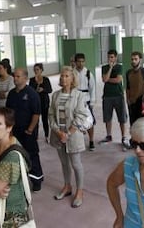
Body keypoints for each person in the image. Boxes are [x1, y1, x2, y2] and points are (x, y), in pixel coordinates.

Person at [49, 66, 89, 208]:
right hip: (58, 135)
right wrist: (58, 131)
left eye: (66, 76)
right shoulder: (55, 95)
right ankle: (67, 186)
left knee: (76, 164)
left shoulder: (79, 95)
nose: (63, 78)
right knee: (64, 163)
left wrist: (68, 133)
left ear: (72, 79)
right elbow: (51, 115)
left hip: (73, 135)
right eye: (61, 76)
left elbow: (81, 116)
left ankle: (79, 191)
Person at [6, 68, 44, 191]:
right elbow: (8, 112)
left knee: (31, 155)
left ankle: (37, 179)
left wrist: (30, 129)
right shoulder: (11, 94)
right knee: (16, 155)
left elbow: (36, 113)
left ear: (25, 78)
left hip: (28, 132)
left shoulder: (32, 94)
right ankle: (19, 180)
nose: (15, 79)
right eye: (14, 76)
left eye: (18, 76)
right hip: (14, 131)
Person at [100, 49, 130, 150]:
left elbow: (118, 80)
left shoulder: (120, 67)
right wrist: (110, 68)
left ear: (116, 57)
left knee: (122, 117)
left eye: (112, 57)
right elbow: (104, 79)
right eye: (109, 57)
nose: (110, 59)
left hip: (118, 95)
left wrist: (108, 79)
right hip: (107, 96)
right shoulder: (104, 67)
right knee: (107, 117)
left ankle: (123, 137)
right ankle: (109, 136)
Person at [73, 53, 97, 151]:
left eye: (83, 61)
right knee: (75, 121)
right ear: (75, 62)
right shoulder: (72, 73)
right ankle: (77, 141)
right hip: (75, 99)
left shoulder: (88, 73)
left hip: (86, 100)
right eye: (79, 61)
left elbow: (92, 88)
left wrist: (92, 101)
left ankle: (91, 141)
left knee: (89, 122)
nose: (81, 63)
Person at [125, 51, 144, 126]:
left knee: (143, 124)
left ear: (140, 60)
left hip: (142, 102)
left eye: (136, 59)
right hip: (132, 103)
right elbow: (128, 87)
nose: (133, 61)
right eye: (132, 59)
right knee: (133, 123)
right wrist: (128, 99)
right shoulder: (128, 73)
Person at [29, 63, 52, 142]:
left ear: (41, 70)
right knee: (35, 119)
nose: (36, 71)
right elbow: (30, 91)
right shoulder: (32, 80)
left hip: (44, 101)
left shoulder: (46, 79)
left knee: (45, 119)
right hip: (35, 102)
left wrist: (43, 90)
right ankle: (36, 136)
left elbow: (50, 90)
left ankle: (47, 135)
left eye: (37, 69)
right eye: (34, 70)